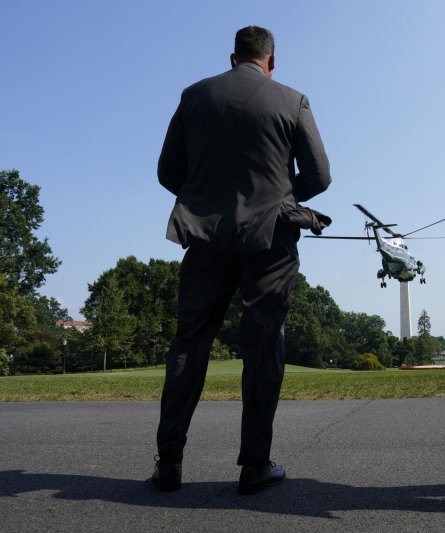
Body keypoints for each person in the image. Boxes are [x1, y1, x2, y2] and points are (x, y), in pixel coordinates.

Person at [152, 25, 331, 495]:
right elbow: (320, 174)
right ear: (271, 61)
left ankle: (168, 461)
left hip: (206, 237)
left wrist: (206, 197)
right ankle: (255, 465)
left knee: (189, 344)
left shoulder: (194, 95)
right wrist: (279, 200)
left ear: (234, 57)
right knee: (263, 343)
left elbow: (167, 170)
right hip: (270, 240)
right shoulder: (292, 100)